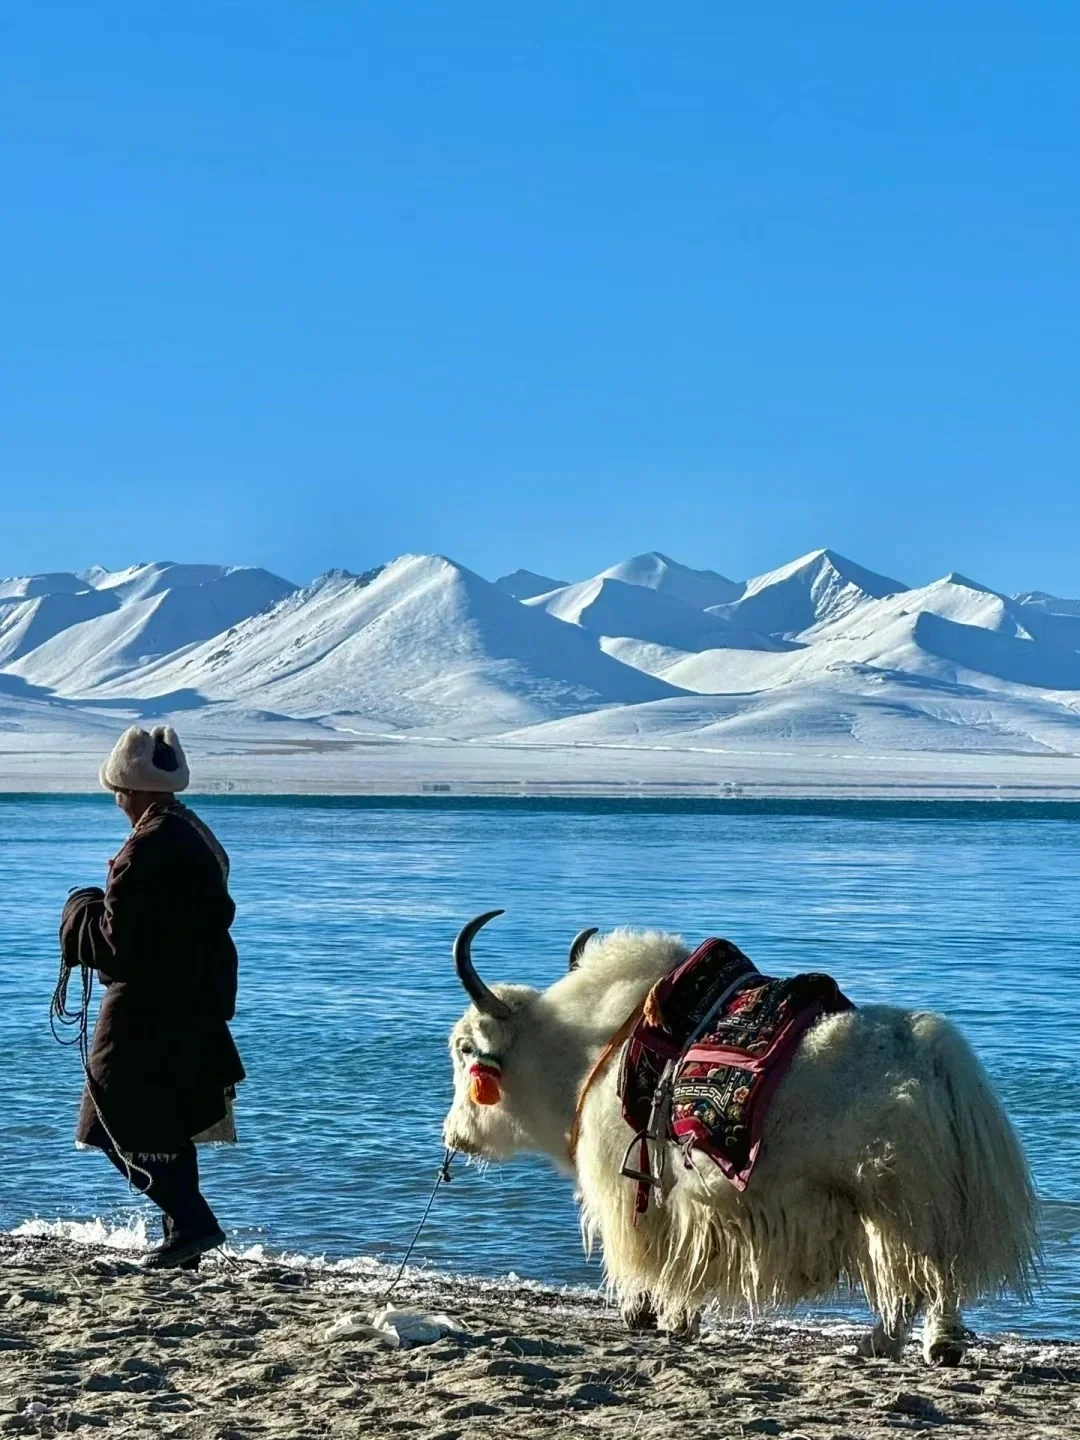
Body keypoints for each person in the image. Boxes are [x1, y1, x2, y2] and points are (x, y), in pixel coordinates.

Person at [59, 725, 245, 1269]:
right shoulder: (191, 830)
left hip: (150, 1009)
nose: (117, 801)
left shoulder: (147, 847)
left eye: (118, 792)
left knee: (112, 1119)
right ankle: (182, 1236)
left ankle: (191, 1223)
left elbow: (118, 946)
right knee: (163, 1121)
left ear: (129, 791)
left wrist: (79, 909)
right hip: (193, 1001)